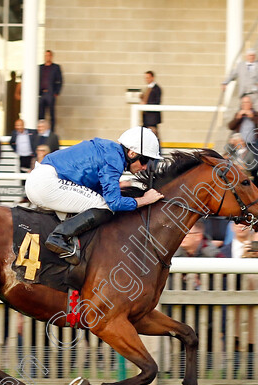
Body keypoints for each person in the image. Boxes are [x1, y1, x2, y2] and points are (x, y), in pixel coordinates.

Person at [24, 127, 163, 264]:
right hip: (47, 183)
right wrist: (144, 200)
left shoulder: (110, 150)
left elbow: (99, 190)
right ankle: (58, 237)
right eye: (145, 160)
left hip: (41, 180)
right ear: (132, 153)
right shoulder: (114, 160)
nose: (145, 167)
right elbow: (113, 203)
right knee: (105, 207)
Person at [39, 50, 64, 131]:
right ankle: (41, 130)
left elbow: (60, 80)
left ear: (51, 56)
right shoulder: (40, 67)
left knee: (51, 114)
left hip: (50, 93)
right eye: (46, 55)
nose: (47, 57)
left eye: (49, 55)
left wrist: (56, 92)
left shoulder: (55, 67)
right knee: (40, 113)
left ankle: (52, 131)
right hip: (42, 93)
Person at [141, 71, 162, 136]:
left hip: (152, 117)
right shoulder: (148, 88)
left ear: (152, 77)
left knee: (153, 134)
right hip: (146, 117)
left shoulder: (156, 89)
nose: (147, 79)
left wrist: (146, 104)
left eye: (148, 77)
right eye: (146, 78)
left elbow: (157, 101)